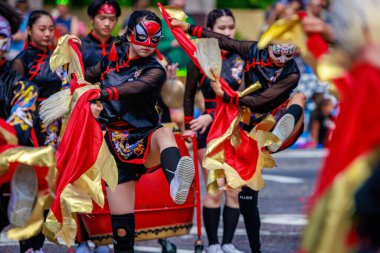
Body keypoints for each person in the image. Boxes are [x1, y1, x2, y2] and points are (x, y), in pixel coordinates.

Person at [171, 18, 305, 253]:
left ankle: (285, 127)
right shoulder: (250, 50)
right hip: (239, 126)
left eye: (288, 54)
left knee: (300, 98)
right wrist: (189, 28)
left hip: (265, 121)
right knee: (242, 195)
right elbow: (224, 42)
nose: (282, 61)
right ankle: (236, 246)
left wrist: (228, 97)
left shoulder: (291, 73)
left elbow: (261, 100)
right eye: (278, 53)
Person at [70, 10, 195, 253]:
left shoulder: (155, 70)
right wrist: (72, 61)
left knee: (165, 134)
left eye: (155, 39)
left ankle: (177, 182)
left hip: (146, 138)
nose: (148, 45)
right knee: (122, 230)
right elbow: (82, 79)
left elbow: (133, 88)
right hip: (115, 146)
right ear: (129, 34)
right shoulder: (108, 62)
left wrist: (103, 94)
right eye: (141, 36)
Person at [183, 8, 244, 253]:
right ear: (210, 30)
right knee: (215, 189)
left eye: (231, 27)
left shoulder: (243, 57)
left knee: (234, 191)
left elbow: (246, 97)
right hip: (207, 133)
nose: (227, 32)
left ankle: (228, 243)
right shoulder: (199, 57)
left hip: (235, 129)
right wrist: (188, 127)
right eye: (222, 28)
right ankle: (213, 245)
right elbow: (188, 96)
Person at [11, 10, 67, 252]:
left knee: (48, 188)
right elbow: (14, 101)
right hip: (29, 130)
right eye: (42, 29)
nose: (47, 33)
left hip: (54, 130)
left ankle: (38, 244)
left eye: (50, 29)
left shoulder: (60, 58)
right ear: (30, 31)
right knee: (29, 188)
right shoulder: (21, 61)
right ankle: (27, 245)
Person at [81, 0, 121, 69]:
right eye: (102, 18)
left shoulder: (121, 46)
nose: (107, 24)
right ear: (91, 18)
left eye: (112, 19)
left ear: (116, 20)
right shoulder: (80, 46)